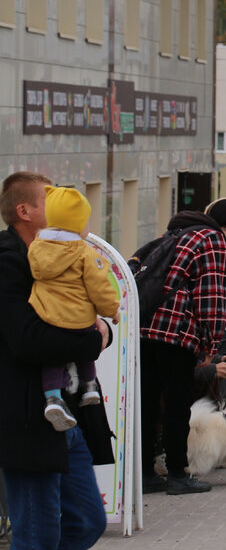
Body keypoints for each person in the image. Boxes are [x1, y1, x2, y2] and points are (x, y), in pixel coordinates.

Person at [1, 172, 110, 550]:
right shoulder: (8, 262)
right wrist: (93, 337)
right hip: (28, 422)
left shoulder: (70, 254)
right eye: (49, 199)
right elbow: (28, 341)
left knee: (87, 521)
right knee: (37, 536)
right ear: (24, 211)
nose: (62, 204)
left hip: (68, 418)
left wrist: (96, 331)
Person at [141, 197, 226, 496]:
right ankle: (178, 473)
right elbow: (211, 298)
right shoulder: (212, 239)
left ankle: (145, 472)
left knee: (147, 402)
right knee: (178, 404)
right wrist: (210, 345)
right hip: (176, 333)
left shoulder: (175, 234)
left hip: (144, 327)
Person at [27, 186, 121, 431]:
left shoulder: (36, 247)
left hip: (47, 317)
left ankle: (53, 398)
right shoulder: (85, 253)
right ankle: (89, 386)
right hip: (80, 320)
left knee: (53, 360)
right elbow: (99, 288)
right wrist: (112, 310)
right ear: (77, 222)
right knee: (87, 345)